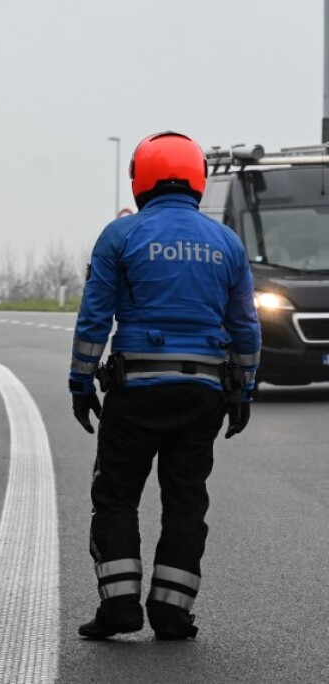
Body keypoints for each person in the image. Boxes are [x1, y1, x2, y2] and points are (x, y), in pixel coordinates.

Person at [69, 131, 260, 641]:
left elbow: (94, 318)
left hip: (135, 391)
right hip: (203, 395)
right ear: (197, 178)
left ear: (141, 179)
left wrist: (80, 382)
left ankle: (119, 606)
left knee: (116, 497)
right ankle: (172, 612)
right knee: (185, 502)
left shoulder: (121, 235)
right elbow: (245, 326)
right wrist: (243, 390)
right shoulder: (226, 242)